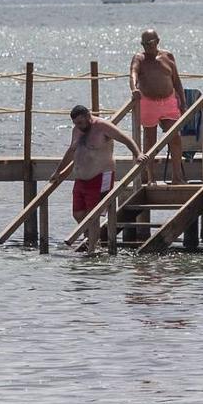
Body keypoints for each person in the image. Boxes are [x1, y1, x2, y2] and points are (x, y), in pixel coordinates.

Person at [52, 104, 151, 256]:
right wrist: (58, 171)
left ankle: (92, 248)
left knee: (94, 213)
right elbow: (71, 151)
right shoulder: (76, 130)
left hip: (100, 176)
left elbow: (126, 139)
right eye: (75, 123)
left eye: (80, 122)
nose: (78, 126)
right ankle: (92, 239)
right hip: (80, 178)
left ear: (88, 116)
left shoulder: (103, 127)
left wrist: (138, 154)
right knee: (78, 214)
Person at [129, 29, 186, 184]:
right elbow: (133, 73)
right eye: (144, 44)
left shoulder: (168, 56)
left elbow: (176, 81)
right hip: (148, 102)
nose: (147, 46)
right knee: (149, 140)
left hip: (168, 101)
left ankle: (177, 177)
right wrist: (134, 88)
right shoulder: (139, 58)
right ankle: (150, 178)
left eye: (150, 43)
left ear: (157, 41)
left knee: (175, 138)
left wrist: (183, 102)